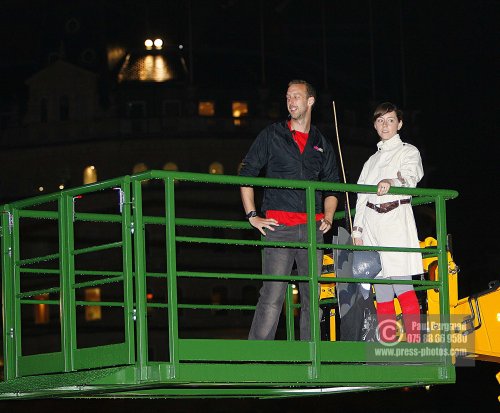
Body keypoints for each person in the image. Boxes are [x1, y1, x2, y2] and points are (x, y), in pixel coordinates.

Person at [239, 80, 340, 341]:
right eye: (287, 97)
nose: (291, 101)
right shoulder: (272, 134)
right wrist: (252, 216)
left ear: (310, 101)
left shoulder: (321, 141)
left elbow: (332, 185)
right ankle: (257, 357)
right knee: (272, 295)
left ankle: (310, 356)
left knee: (312, 296)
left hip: (312, 230)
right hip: (278, 227)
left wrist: (328, 215)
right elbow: (247, 172)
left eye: (296, 96)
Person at [352, 102, 423, 343]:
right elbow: (361, 196)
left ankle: (414, 342)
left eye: (390, 120)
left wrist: (391, 181)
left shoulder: (409, 151)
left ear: (399, 124)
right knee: (381, 289)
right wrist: (357, 230)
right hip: (372, 225)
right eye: (380, 120)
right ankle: (388, 344)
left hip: (396, 222)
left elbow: (411, 177)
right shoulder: (370, 161)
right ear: (374, 124)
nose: (385, 125)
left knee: (402, 286)